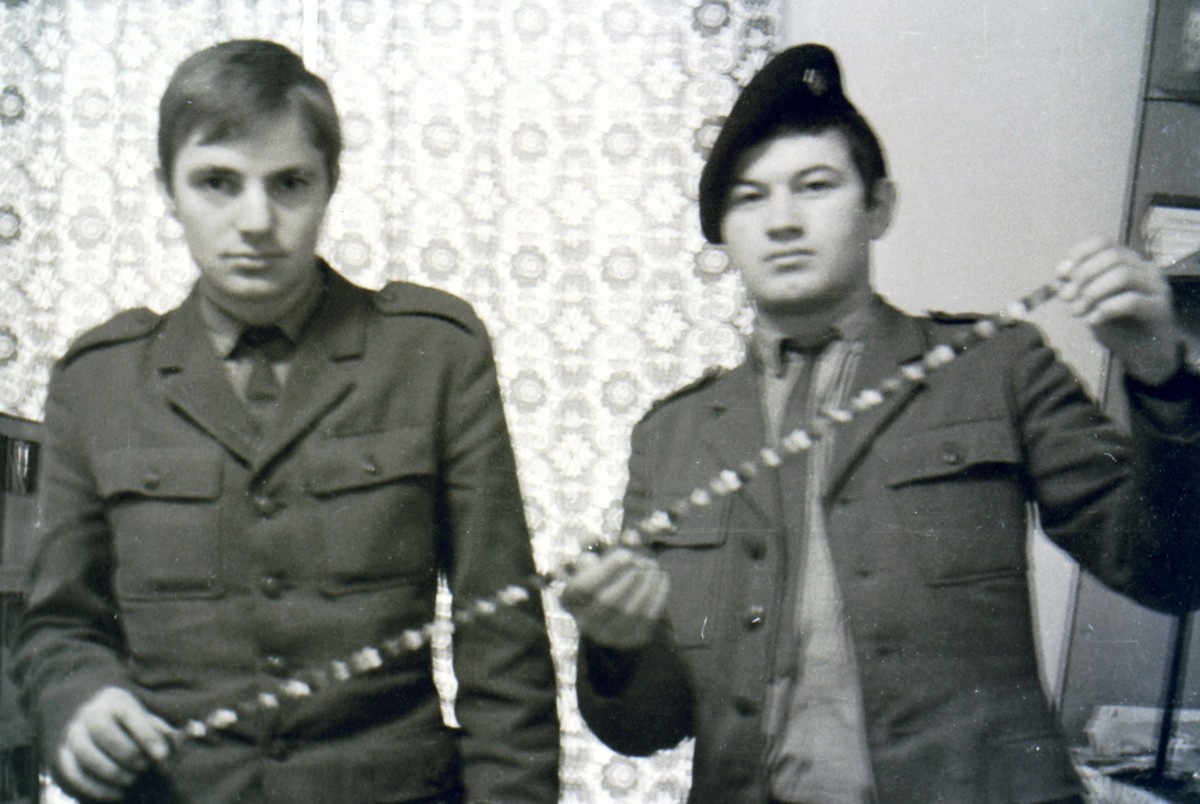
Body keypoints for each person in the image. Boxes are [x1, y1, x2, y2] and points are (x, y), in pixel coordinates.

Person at [562, 43, 1200, 803]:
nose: (783, 221)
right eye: (749, 197)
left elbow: (1170, 569)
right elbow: (644, 729)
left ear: (878, 207)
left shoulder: (997, 367)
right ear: (724, 234)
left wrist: (1160, 373)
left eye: (816, 186)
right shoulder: (672, 436)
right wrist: (616, 643)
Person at [15, 39, 559, 803]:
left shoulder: (433, 355)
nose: (257, 221)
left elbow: (503, 641)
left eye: (290, 183)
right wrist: (80, 700)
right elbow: (59, 627)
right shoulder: (98, 381)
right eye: (217, 183)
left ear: (331, 183)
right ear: (167, 189)